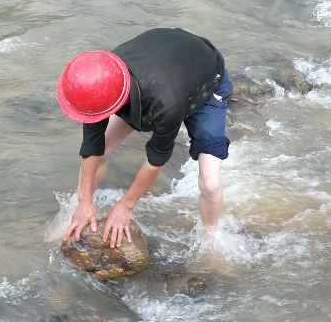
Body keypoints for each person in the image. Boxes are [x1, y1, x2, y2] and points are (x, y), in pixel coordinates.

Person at [58, 28, 231, 247]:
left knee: (210, 183)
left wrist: (125, 205)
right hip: (160, 73)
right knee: (101, 152)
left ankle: (210, 240)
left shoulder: (166, 103)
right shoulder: (96, 80)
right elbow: (92, 147)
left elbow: (156, 158)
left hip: (205, 84)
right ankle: (77, 214)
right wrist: (84, 200)